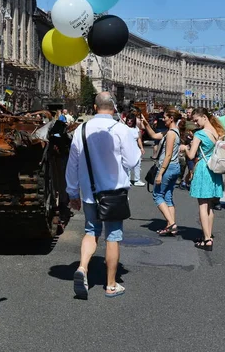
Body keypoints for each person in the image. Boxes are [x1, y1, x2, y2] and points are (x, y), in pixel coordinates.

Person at [66, 92, 141, 300]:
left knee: (91, 230)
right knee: (113, 237)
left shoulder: (81, 130)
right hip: (114, 194)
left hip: (90, 193)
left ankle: (82, 268)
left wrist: (73, 192)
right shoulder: (121, 129)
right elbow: (134, 160)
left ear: (94, 106)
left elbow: (72, 164)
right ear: (114, 108)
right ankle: (110, 284)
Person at [180, 108, 225, 251]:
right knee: (210, 205)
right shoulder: (218, 132)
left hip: (203, 169)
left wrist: (184, 148)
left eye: (196, 120)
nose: (195, 123)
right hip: (214, 169)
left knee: (202, 205)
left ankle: (207, 240)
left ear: (204, 117)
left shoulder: (199, 134)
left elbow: (192, 155)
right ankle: (208, 234)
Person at [141, 108, 183, 236]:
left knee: (157, 195)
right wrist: (146, 125)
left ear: (171, 118)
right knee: (168, 196)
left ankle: (171, 224)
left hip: (168, 168)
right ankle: (171, 225)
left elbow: (168, 155)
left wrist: (160, 173)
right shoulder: (173, 132)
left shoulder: (170, 134)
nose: (163, 119)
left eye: (165, 117)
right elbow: (154, 136)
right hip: (175, 168)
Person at [125, 113, 146, 187]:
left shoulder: (136, 129)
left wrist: (141, 148)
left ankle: (137, 180)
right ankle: (127, 180)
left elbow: (139, 139)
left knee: (137, 164)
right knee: (127, 166)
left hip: (135, 149)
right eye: (128, 120)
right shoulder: (124, 128)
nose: (129, 122)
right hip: (126, 149)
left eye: (131, 120)